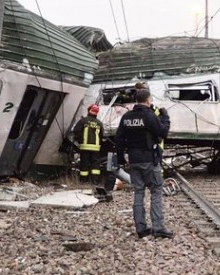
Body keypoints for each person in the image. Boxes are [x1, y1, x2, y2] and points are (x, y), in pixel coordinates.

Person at [115, 89, 172, 239]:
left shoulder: (126, 117)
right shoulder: (149, 116)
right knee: (156, 191)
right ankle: (158, 227)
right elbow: (163, 132)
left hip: (134, 160)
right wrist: (165, 117)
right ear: (148, 101)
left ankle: (141, 228)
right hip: (149, 159)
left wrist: (121, 158)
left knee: (138, 192)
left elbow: (119, 139)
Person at [71, 104, 105, 187]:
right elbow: (102, 136)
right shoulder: (99, 123)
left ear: (89, 110)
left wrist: (79, 140)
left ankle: (83, 181)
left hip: (85, 147)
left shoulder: (83, 121)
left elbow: (76, 131)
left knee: (84, 164)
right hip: (96, 148)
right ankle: (95, 182)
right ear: (97, 113)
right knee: (95, 165)